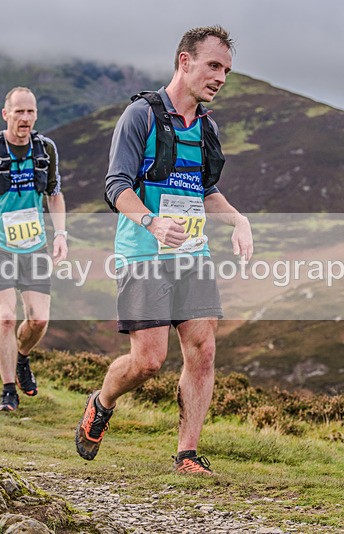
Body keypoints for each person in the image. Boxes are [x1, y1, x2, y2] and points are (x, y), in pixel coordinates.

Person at [75, 26, 253, 475]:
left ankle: (187, 454)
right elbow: (116, 186)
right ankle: (103, 400)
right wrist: (152, 222)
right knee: (148, 361)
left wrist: (237, 219)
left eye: (227, 70)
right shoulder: (142, 115)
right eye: (213, 66)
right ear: (184, 61)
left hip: (192, 254)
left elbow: (205, 189)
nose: (221, 78)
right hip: (143, 253)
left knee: (203, 349)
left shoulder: (207, 127)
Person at [0, 87, 68, 413]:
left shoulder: (46, 149)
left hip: (34, 245)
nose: (25, 118)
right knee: (6, 318)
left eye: (30, 112)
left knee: (38, 320)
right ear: (5, 114)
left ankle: (22, 358)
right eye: (19, 112)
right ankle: (8, 390)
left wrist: (61, 233)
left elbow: (55, 193)